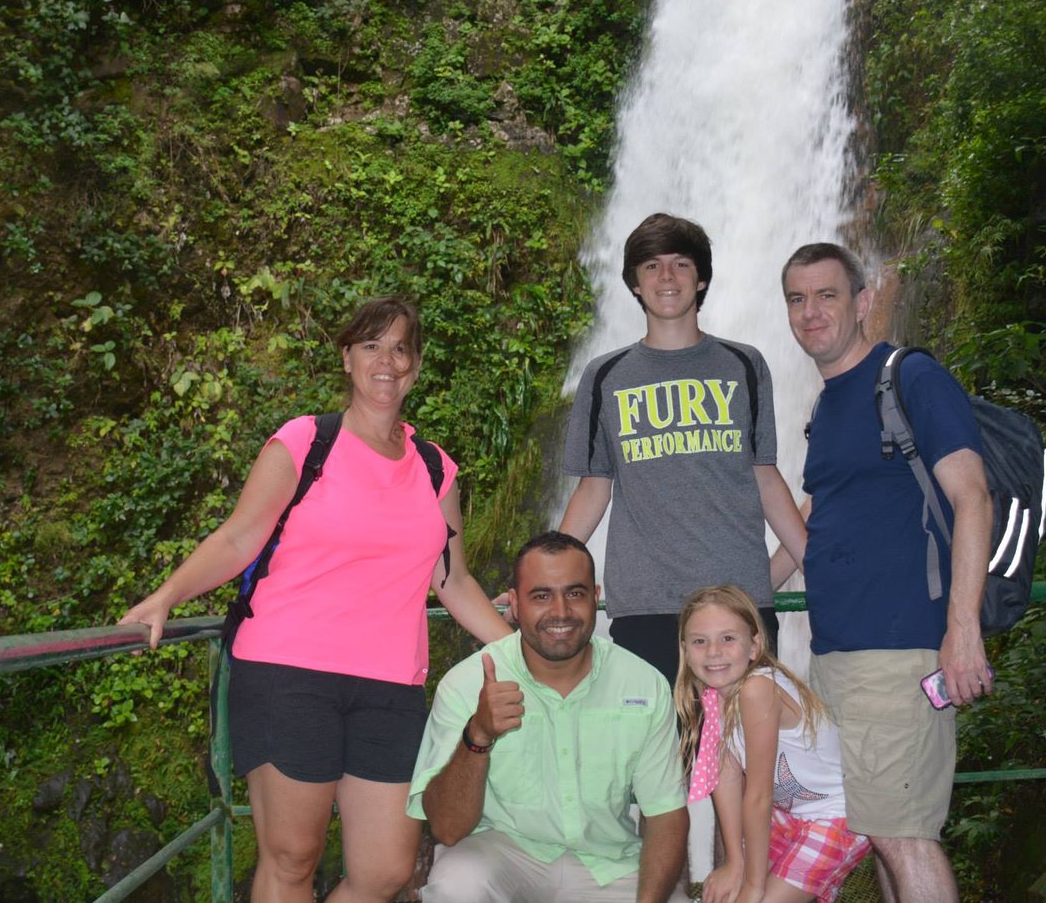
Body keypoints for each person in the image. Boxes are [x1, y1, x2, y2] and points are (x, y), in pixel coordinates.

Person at [117, 296, 512, 903]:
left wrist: (519, 650)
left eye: (400, 349)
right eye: (371, 346)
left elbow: (452, 580)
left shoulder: (436, 470)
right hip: (286, 672)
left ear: (416, 365)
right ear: (347, 358)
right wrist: (167, 595)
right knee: (292, 857)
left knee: (385, 871)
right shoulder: (306, 442)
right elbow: (240, 536)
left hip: (390, 686)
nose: (387, 362)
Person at [779, 243, 993, 903]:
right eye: (797, 299)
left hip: (900, 649)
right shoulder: (828, 406)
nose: (811, 312)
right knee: (879, 829)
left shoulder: (910, 378)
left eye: (827, 295)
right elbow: (820, 512)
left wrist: (962, 629)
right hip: (836, 653)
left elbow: (972, 497)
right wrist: (749, 590)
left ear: (863, 301)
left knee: (904, 834)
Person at [560, 212, 807, 682]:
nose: (667, 277)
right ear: (635, 283)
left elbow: (764, 475)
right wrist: (544, 575)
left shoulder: (745, 365)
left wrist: (816, 566)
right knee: (657, 731)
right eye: (652, 266)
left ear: (702, 278)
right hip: (645, 604)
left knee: (746, 728)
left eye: (681, 264)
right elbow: (593, 488)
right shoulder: (605, 376)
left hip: (739, 600)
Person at [409, 532, 689, 903]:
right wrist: (477, 735)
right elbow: (446, 829)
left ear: (595, 596)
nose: (560, 611)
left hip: (608, 863)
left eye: (575, 593)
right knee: (456, 885)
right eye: (541, 596)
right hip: (504, 855)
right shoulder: (466, 683)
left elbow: (666, 815)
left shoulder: (642, 683)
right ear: (515, 604)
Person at [675, 585, 871, 903]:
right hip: (789, 815)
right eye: (700, 641)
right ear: (685, 649)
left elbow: (759, 795)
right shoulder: (715, 696)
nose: (713, 652)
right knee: (728, 893)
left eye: (728, 638)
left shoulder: (757, 688)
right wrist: (734, 863)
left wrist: (753, 887)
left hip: (838, 815)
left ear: (754, 646)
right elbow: (725, 777)